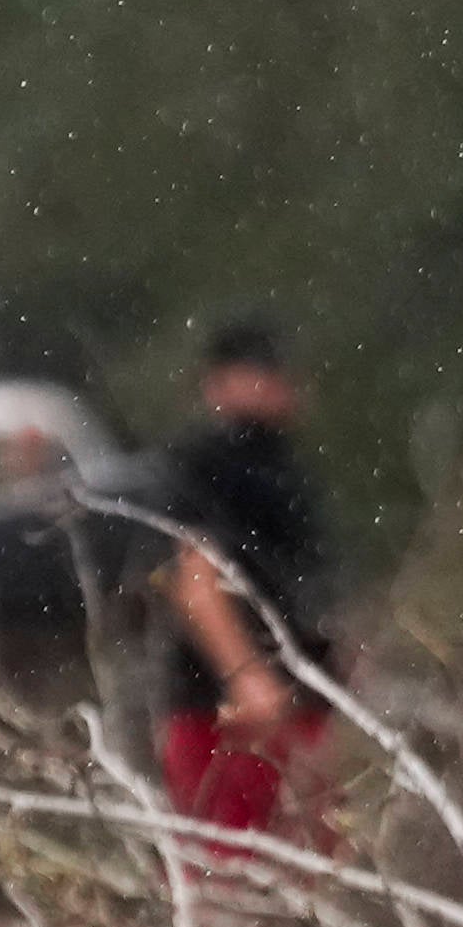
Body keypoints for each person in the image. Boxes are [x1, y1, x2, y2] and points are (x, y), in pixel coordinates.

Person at [155, 316, 337, 840]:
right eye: (264, 372)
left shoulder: (282, 466)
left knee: (301, 858)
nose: (280, 385)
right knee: (229, 860)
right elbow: (196, 578)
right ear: (220, 383)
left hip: (293, 700)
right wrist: (245, 676)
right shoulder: (206, 462)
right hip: (226, 708)